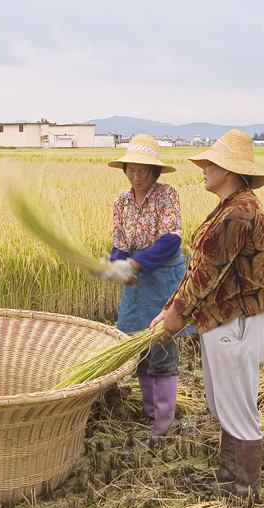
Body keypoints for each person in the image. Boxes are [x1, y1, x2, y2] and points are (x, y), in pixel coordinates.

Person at [151, 129, 264, 502]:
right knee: (226, 401)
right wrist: (170, 308)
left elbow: (208, 274)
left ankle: (245, 492)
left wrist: (175, 317)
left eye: (210, 164)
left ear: (230, 171)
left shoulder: (238, 213)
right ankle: (227, 474)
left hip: (234, 319)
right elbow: (200, 268)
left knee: (237, 404)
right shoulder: (231, 206)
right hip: (221, 317)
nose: (203, 168)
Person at [95, 134, 184, 437]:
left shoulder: (167, 196)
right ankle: (150, 413)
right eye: (130, 170)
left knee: (162, 347)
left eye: (142, 171)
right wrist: (115, 263)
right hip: (136, 286)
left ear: (154, 172)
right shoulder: (121, 201)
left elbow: (171, 241)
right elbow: (120, 243)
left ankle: (163, 421)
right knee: (139, 349)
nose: (135, 176)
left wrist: (135, 264)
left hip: (162, 280)